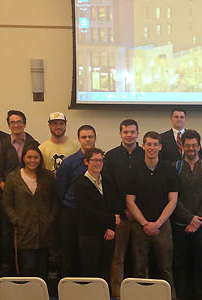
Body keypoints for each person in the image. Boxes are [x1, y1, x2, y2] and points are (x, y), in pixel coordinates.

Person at [126, 131, 180, 298]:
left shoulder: (169, 170)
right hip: (139, 226)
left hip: (162, 226)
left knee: (165, 268)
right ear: (143, 146)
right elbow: (130, 201)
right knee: (139, 268)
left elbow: (173, 200)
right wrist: (145, 224)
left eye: (155, 144)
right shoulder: (134, 170)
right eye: (148, 144)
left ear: (160, 147)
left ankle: (169, 297)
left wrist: (157, 223)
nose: (152, 147)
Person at [0, 110, 39, 276]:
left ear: (24, 124)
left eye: (19, 122)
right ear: (9, 125)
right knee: (6, 234)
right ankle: (9, 270)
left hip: (29, 199)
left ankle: (28, 271)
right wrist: (6, 188)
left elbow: (38, 168)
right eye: (12, 122)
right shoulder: (3, 145)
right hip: (8, 197)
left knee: (28, 232)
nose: (16, 125)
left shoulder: (33, 143)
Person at [172, 130, 202, 300]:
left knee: (201, 264)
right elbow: (173, 198)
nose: (190, 148)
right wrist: (188, 218)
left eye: (194, 145)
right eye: (187, 145)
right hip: (179, 225)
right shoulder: (174, 167)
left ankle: (201, 295)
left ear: (199, 146)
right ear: (182, 146)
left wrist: (197, 220)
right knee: (179, 264)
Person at [1, 146, 57, 278]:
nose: (32, 160)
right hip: (23, 230)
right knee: (28, 266)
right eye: (29, 157)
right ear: (23, 158)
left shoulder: (48, 177)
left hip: (44, 230)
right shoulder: (13, 178)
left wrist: (50, 218)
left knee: (43, 268)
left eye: (36, 157)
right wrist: (16, 220)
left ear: (40, 159)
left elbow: (55, 202)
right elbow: (7, 203)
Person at [104, 119, 144, 297]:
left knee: (140, 257)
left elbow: (150, 187)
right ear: (120, 134)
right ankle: (117, 294)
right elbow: (109, 187)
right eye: (126, 132)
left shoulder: (146, 154)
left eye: (132, 132)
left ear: (138, 134)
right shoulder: (111, 156)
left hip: (141, 217)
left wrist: (136, 211)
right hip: (119, 216)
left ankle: (139, 292)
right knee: (117, 259)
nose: (129, 135)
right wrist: (120, 210)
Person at [55, 125, 98, 277]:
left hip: (93, 214)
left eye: (90, 137)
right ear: (79, 139)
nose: (87, 140)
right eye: (84, 137)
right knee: (69, 251)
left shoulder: (100, 161)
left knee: (89, 254)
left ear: (95, 138)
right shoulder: (69, 163)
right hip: (72, 213)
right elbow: (60, 189)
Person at [74, 148, 119, 288]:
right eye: (94, 160)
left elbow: (113, 204)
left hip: (108, 234)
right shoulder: (80, 183)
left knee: (105, 272)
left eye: (100, 160)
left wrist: (111, 228)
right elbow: (87, 212)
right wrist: (111, 220)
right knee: (90, 272)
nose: (98, 163)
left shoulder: (107, 181)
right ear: (86, 162)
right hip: (89, 235)